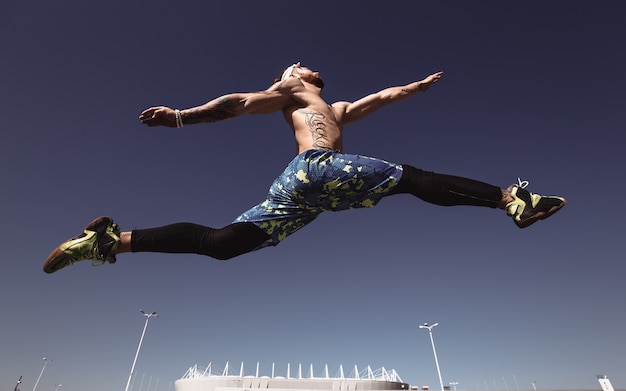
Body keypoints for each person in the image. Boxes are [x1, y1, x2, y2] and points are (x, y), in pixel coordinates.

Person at [43, 64, 566, 274]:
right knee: (409, 178)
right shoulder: (292, 91)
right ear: (290, 76)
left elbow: (379, 99)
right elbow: (240, 102)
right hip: (316, 169)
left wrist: (413, 89)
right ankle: (509, 200)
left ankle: (111, 241)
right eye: (298, 63)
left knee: (225, 243)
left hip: (305, 191)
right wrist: (181, 117)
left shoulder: (330, 108)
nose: (308, 65)